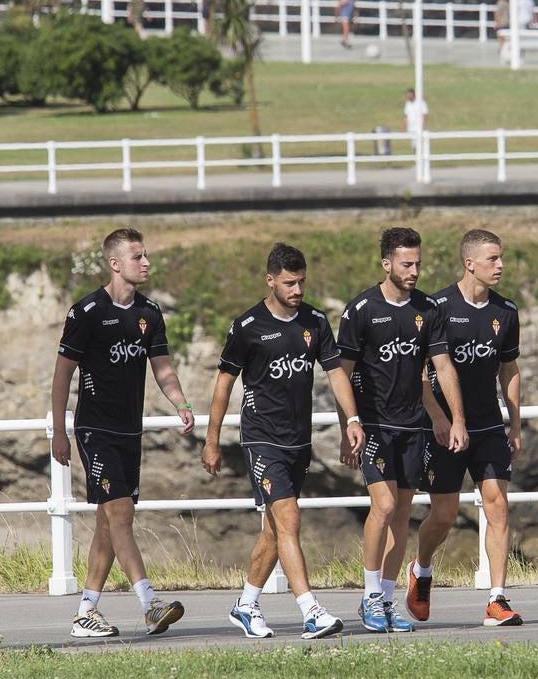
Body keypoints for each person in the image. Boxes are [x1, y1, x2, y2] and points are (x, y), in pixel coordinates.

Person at [201, 243, 366, 640]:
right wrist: (212, 439)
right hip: (261, 440)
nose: (297, 289)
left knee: (275, 531)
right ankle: (311, 610)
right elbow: (224, 384)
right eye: (289, 282)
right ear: (270, 280)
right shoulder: (247, 327)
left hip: (298, 441)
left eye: (302, 281)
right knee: (289, 519)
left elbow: (336, 373)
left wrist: (353, 420)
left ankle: (245, 605)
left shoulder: (315, 321)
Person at [51, 227, 191, 639]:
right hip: (95, 429)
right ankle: (150, 603)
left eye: (146, 255)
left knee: (108, 523)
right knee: (122, 515)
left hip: (130, 431)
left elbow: (162, 368)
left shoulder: (150, 312)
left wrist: (180, 402)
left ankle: (85, 611)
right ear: (115, 264)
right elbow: (62, 375)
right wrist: (59, 430)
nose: (146, 262)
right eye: (137, 257)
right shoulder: (87, 312)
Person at [336, 227, 468, 634]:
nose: (413, 271)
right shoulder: (361, 309)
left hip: (413, 426)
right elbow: (341, 372)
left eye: (418, 263)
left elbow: (443, 367)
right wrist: (348, 424)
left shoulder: (428, 309)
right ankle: (369, 594)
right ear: (386, 263)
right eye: (406, 264)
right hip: (374, 424)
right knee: (385, 506)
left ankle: (387, 599)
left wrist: (456, 418)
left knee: (403, 512)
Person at [408, 230, 525, 628]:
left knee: (498, 507)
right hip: (442, 428)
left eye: (502, 257)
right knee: (444, 516)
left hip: (489, 424)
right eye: (493, 258)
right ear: (469, 262)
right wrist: (439, 418)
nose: (501, 265)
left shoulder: (506, 311)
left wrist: (515, 422)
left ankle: (497, 599)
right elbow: (421, 372)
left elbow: (509, 369)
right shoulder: (437, 307)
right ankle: (421, 570)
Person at [403, 88, 429, 154]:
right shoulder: (407, 104)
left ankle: (421, 161)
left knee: (419, 145)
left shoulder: (421, 102)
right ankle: (417, 161)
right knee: (414, 146)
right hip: (411, 128)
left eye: (409, 95)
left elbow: (425, 115)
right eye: (407, 95)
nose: (408, 96)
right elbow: (406, 116)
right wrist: (404, 126)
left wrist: (423, 126)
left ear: (413, 94)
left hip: (418, 127)